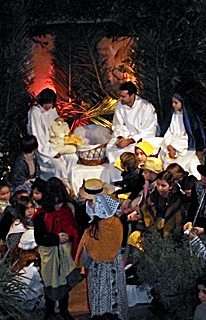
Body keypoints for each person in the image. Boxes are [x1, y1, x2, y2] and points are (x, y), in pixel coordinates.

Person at [33, 181, 82, 320]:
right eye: (56, 203)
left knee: (65, 284)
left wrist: (69, 237)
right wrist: (56, 239)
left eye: (61, 202)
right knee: (50, 282)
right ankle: (49, 312)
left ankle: (64, 310)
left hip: (65, 255)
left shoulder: (66, 211)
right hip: (49, 255)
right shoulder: (41, 216)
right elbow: (39, 238)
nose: (59, 206)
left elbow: (75, 230)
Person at [75, 193, 128, 320]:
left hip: (98, 270)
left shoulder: (91, 230)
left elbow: (85, 255)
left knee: (100, 298)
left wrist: (87, 265)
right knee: (117, 297)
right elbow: (122, 245)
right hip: (116, 266)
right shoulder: (117, 224)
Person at [106, 82, 158, 171]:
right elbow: (118, 125)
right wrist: (122, 138)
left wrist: (130, 141)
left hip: (143, 139)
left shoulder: (146, 106)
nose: (120, 98)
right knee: (110, 148)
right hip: (126, 137)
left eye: (123, 96)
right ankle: (118, 178)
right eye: (120, 96)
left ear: (132, 95)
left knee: (136, 150)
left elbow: (148, 130)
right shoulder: (119, 105)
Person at [27, 88, 78, 180]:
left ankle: (70, 183)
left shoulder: (52, 110)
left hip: (56, 144)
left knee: (72, 157)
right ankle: (60, 187)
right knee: (59, 166)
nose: (48, 106)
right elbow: (38, 136)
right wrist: (52, 152)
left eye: (50, 103)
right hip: (43, 149)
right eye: (46, 103)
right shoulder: (35, 112)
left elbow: (57, 123)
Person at [160, 93, 206, 180]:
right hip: (173, 144)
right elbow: (170, 131)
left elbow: (190, 136)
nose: (173, 105)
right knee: (164, 156)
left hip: (185, 147)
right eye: (172, 102)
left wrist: (174, 146)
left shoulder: (190, 117)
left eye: (176, 102)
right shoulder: (174, 115)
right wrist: (169, 145)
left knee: (181, 164)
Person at [140, 171, 185, 241]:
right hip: (154, 225)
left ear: (171, 186)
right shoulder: (154, 195)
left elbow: (178, 219)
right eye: (158, 184)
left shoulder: (177, 199)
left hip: (170, 231)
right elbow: (146, 208)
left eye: (163, 185)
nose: (160, 188)